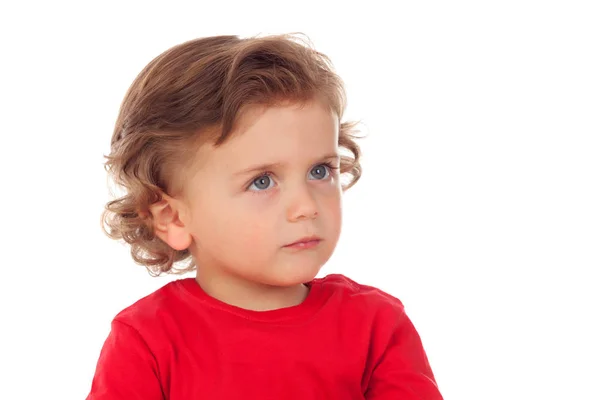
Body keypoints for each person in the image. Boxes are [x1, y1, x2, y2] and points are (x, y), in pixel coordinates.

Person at [87, 32, 443, 399]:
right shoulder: (148, 340)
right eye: (261, 181)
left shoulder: (376, 327)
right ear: (173, 219)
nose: (306, 206)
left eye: (320, 171)